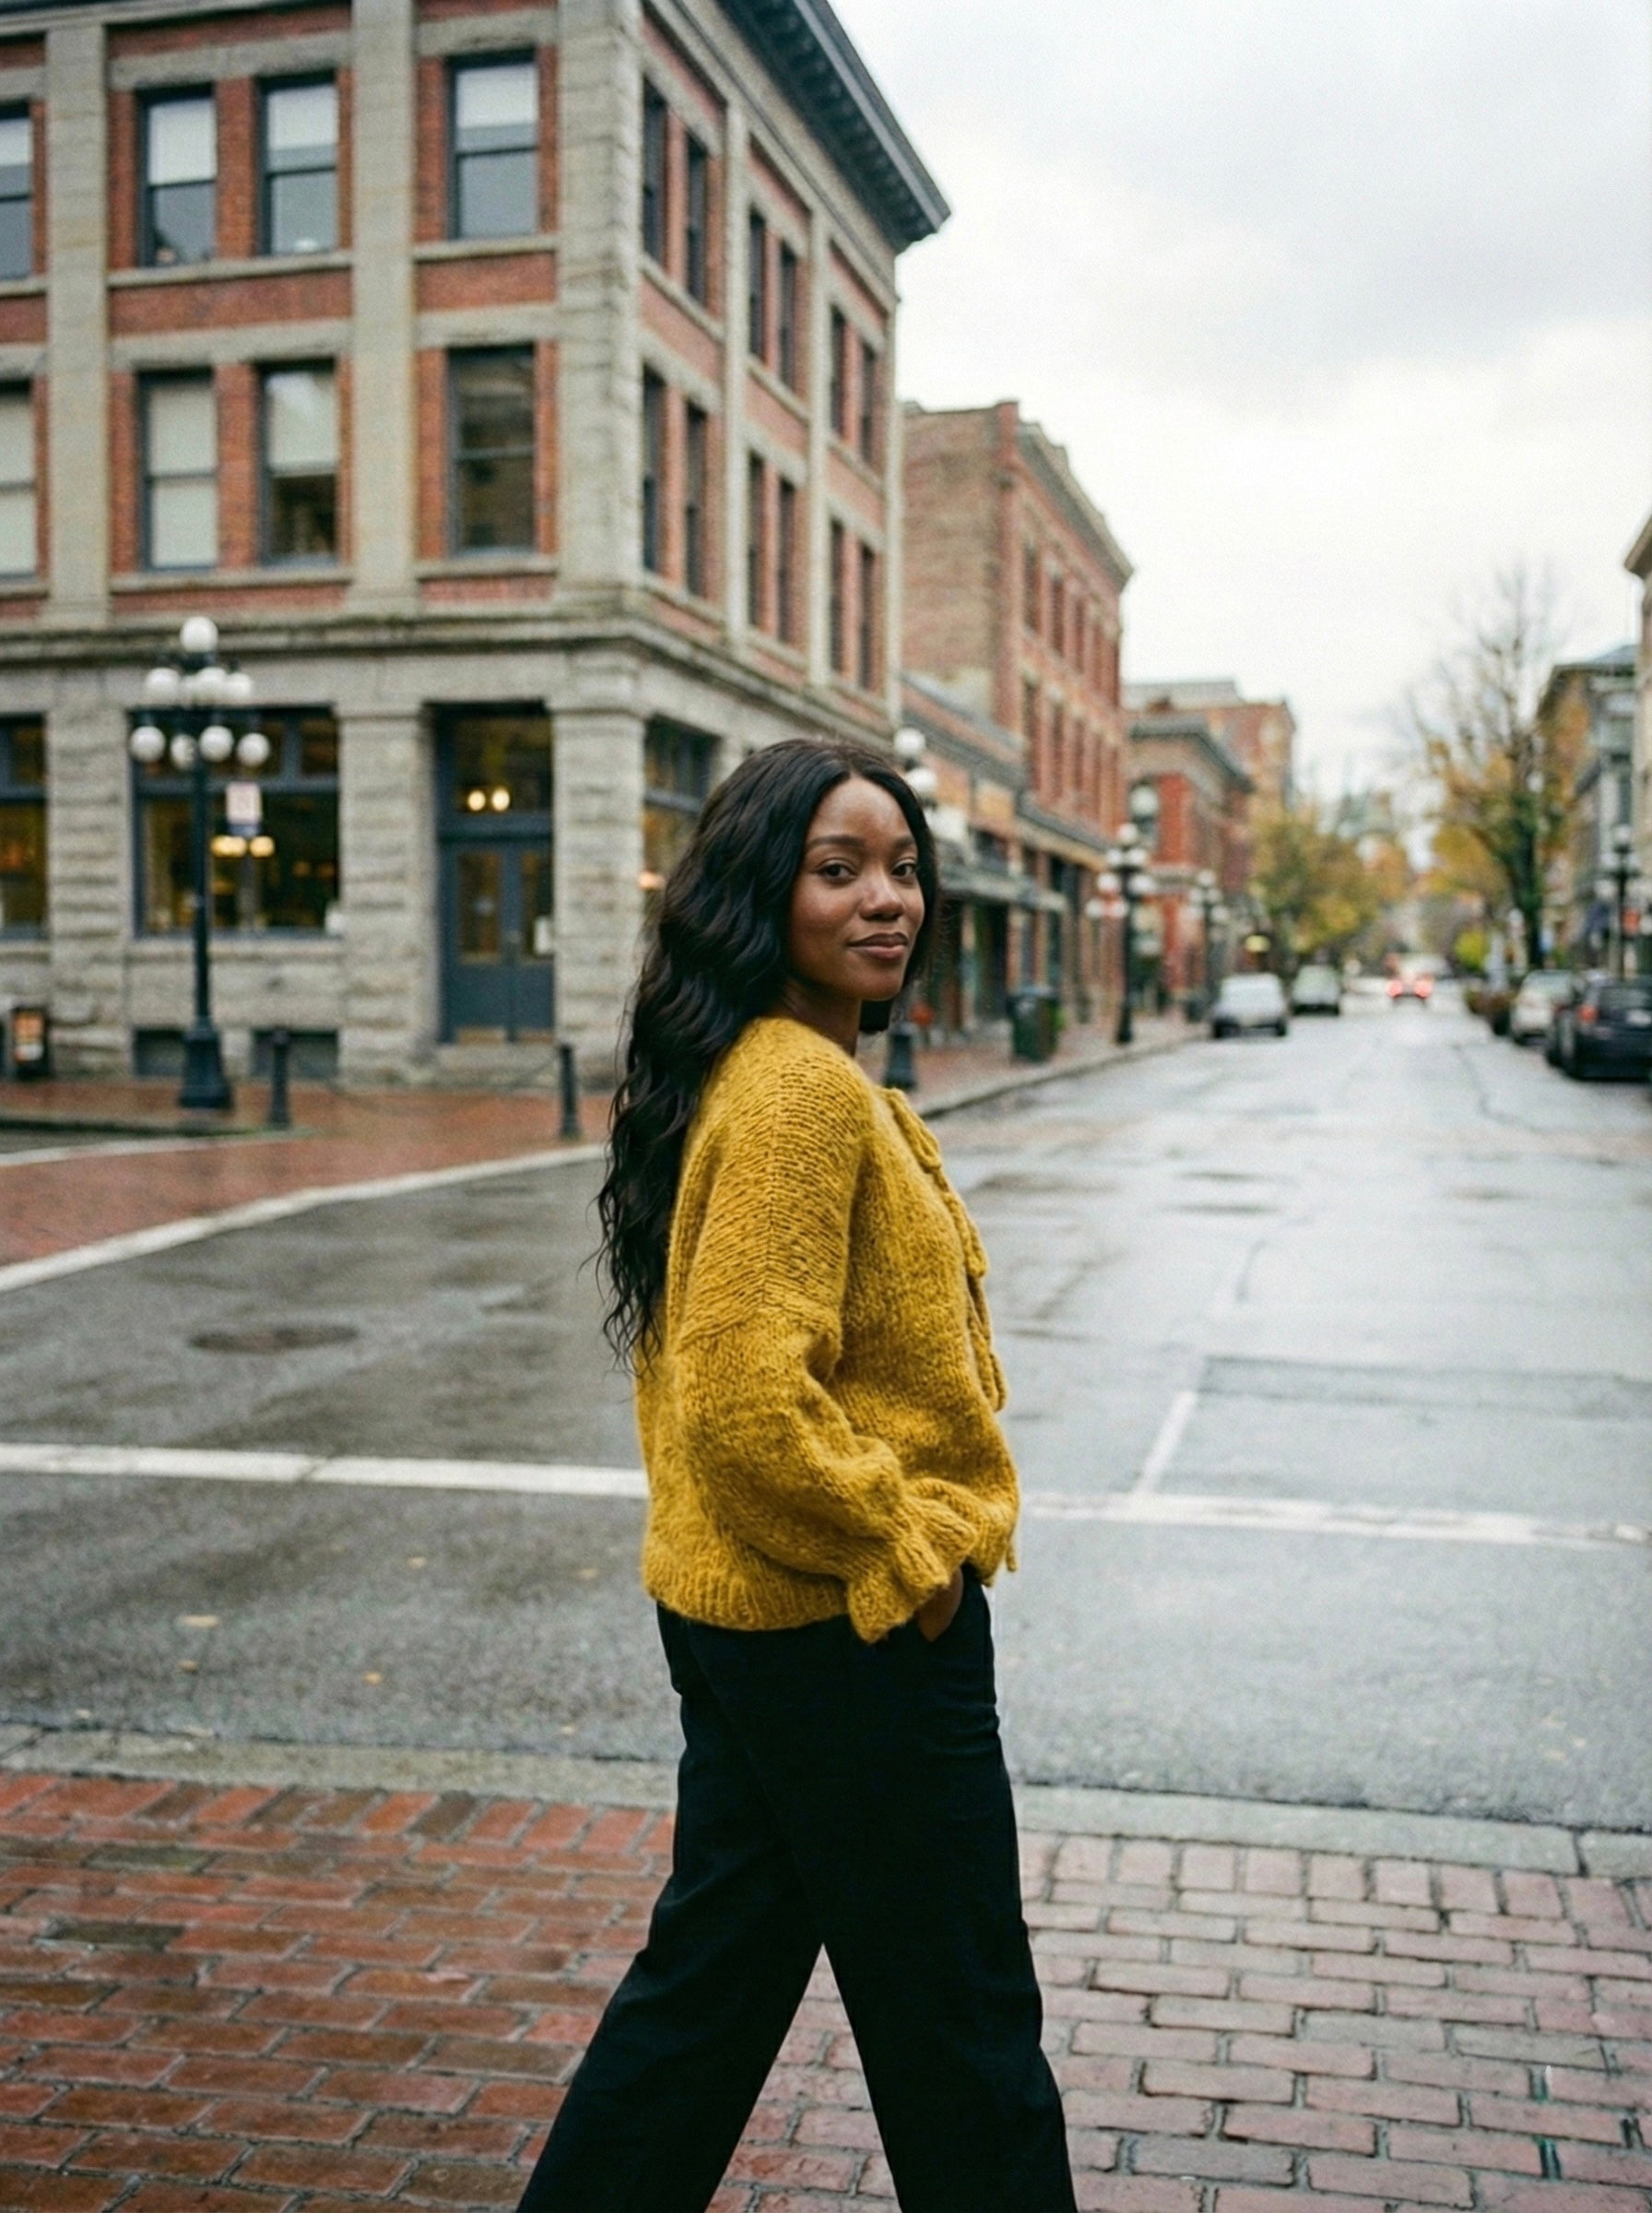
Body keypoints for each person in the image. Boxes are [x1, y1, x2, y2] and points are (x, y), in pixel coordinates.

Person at [517, 737, 1074, 2213]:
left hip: (758, 1620)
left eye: (903, 870)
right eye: (840, 871)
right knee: (965, 2030)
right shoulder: (800, 1097)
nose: (887, 900)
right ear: (764, 893)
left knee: (706, 1994)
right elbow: (746, 1403)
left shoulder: (772, 1074)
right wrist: (910, 1554)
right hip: (850, 1627)